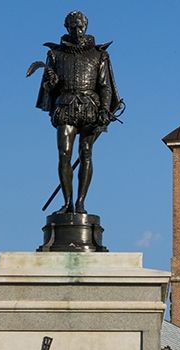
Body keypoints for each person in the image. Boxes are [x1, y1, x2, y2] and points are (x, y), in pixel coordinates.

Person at [36, 11, 121, 214]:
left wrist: (103, 110)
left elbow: (105, 86)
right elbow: (48, 88)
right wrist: (51, 83)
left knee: (86, 152)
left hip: (90, 107)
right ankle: (67, 203)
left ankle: (80, 202)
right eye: (73, 27)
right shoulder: (55, 55)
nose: (77, 30)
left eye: (80, 26)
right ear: (67, 28)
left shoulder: (99, 55)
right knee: (64, 154)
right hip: (65, 106)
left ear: (86, 26)